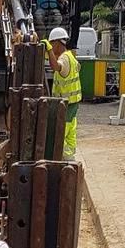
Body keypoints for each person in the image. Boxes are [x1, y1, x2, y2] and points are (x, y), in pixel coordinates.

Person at [46, 27, 81, 159]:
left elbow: (55, 67)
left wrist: (48, 50)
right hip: (73, 103)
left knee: (61, 131)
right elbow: (78, 67)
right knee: (70, 131)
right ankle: (69, 156)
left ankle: (62, 158)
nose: (52, 47)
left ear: (57, 43)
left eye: (52, 44)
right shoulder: (71, 56)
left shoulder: (64, 59)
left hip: (66, 104)